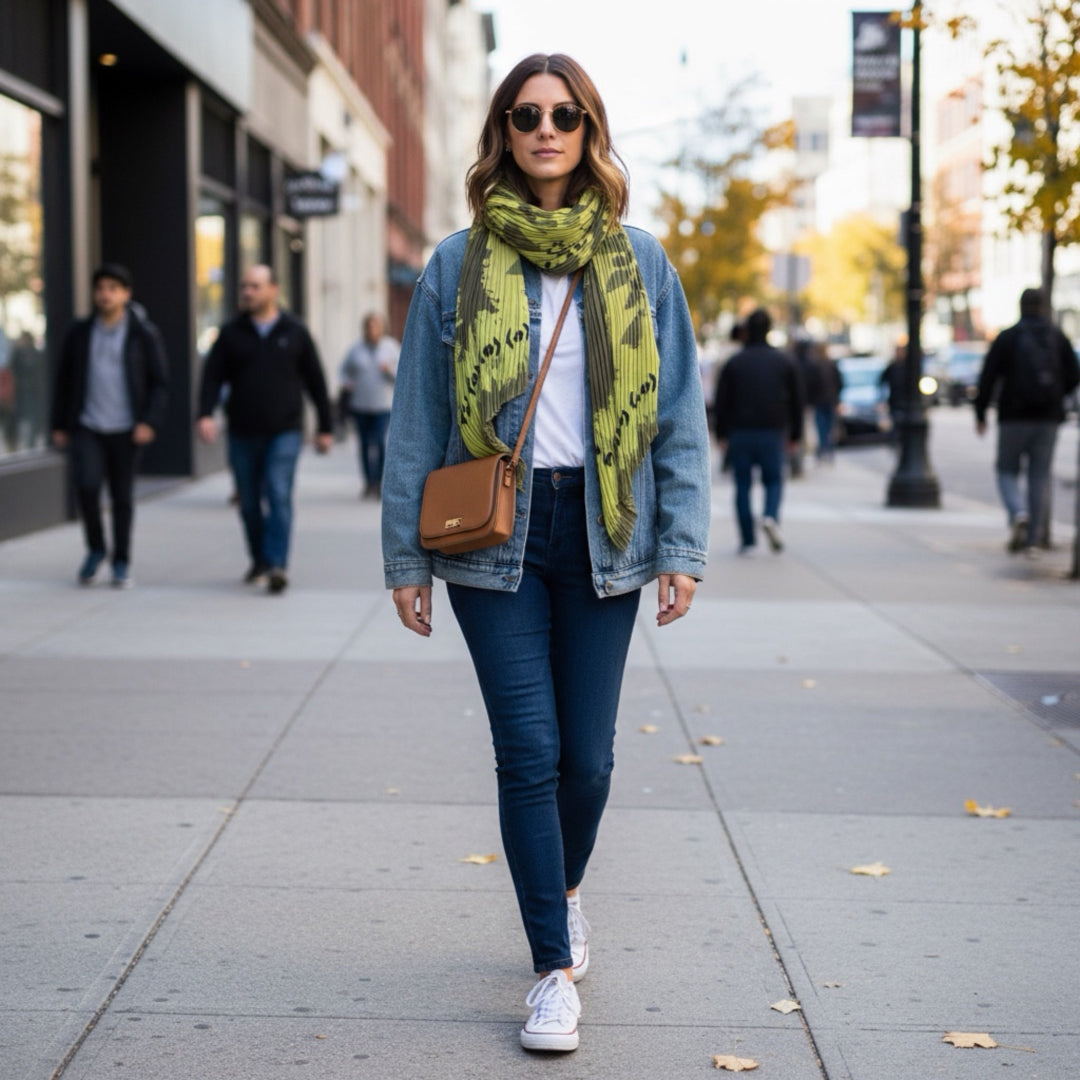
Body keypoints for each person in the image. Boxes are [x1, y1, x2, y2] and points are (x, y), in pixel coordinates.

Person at [381, 53, 710, 1053]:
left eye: (565, 114)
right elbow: (417, 420)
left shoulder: (641, 261)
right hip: (497, 538)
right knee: (529, 752)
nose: (546, 128)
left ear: (589, 128)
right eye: (527, 114)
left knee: (592, 761)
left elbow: (678, 418)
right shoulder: (455, 264)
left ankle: (561, 887)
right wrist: (406, 558)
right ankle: (550, 971)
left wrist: (682, 543)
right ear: (505, 132)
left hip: (606, 531)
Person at [196, 264, 333, 594]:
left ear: (273, 289)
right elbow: (212, 376)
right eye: (244, 286)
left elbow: (316, 381)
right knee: (248, 503)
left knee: (278, 493)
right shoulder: (230, 333)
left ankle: (276, 565)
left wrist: (325, 427)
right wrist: (205, 414)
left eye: (255, 286)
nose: (247, 292)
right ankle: (259, 558)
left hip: (284, 431)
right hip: (242, 431)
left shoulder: (295, 331)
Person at [50, 263, 169, 587]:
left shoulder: (143, 334)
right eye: (101, 288)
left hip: (127, 428)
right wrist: (59, 423)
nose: (106, 295)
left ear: (126, 294)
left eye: (113, 289)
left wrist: (149, 421)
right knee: (87, 487)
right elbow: (64, 381)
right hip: (88, 425)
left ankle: (121, 561)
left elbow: (159, 382)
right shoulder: (80, 332)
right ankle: (96, 548)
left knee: (122, 497)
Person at [975, 287, 1079, 555]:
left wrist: (981, 412)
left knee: (1006, 470)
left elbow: (988, 376)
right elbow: (1074, 374)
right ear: (1044, 307)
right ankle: (1034, 540)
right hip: (1048, 419)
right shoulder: (1057, 337)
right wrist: (1057, 397)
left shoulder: (1008, 337)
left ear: (1021, 307)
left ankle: (1017, 511)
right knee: (1039, 476)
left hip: (1013, 416)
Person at [713, 307, 804, 554]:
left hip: (740, 433)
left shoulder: (734, 363)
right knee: (773, 480)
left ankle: (747, 539)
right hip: (773, 432)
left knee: (742, 485)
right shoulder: (784, 361)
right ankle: (770, 515)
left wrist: (720, 434)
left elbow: (721, 401)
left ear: (746, 331)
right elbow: (797, 400)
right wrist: (796, 435)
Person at [338, 313, 399, 499]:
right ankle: (368, 482)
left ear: (381, 328)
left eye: (375, 326)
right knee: (364, 444)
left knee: (380, 443)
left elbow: (403, 373)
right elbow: (343, 371)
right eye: (369, 327)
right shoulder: (356, 349)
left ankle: (380, 481)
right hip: (361, 404)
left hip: (383, 404)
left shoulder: (391, 347)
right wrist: (346, 382)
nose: (372, 330)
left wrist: (389, 370)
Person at [808, 342, 843, 462]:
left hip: (821, 401)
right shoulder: (830, 364)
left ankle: (823, 450)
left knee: (822, 427)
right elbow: (839, 383)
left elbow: (811, 385)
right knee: (828, 427)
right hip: (829, 400)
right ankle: (828, 450)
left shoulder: (815, 365)